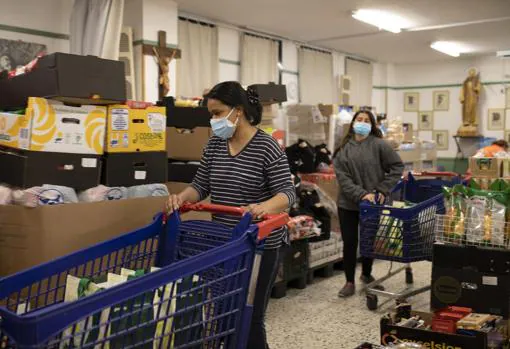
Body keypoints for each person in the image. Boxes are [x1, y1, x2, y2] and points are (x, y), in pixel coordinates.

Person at [166, 81, 296, 349]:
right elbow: (201, 185)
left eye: (217, 113)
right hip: (226, 243)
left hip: (260, 245)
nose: (213, 120)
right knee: (225, 314)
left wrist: (263, 208)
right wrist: (181, 198)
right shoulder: (215, 143)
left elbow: (287, 193)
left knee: (249, 316)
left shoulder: (266, 146)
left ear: (237, 111)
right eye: (211, 114)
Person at [333, 110, 404, 298]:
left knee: (369, 240)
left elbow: (397, 167)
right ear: (353, 123)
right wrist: (362, 194)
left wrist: (382, 189)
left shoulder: (380, 145)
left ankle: (366, 274)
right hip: (347, 204)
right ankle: (349, 281)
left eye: (366, 120)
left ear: (372, 125)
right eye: (359, 120)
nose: (362, 123)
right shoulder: (343, 149)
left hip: (373, 204)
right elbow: (343, 179)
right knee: (350, 242)